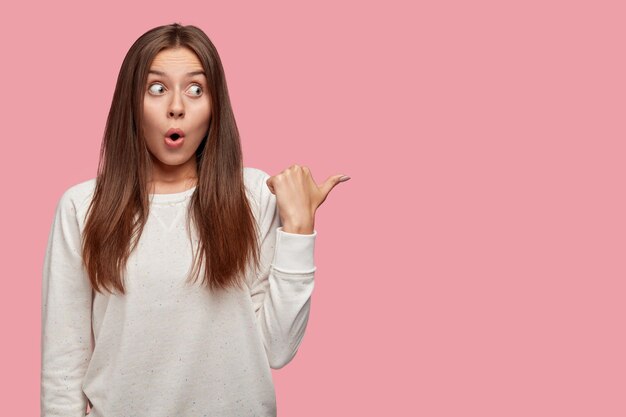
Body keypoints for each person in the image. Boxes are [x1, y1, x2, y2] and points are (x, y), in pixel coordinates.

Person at [40, 22, 349, 417]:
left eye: (195, 89)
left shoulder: (253, 195)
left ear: (215, 104)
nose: (176, 107)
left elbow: (278, 349)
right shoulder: (82, 207)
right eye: (156, 88)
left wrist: (299, 230)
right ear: (129, 104)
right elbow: (63, 367)